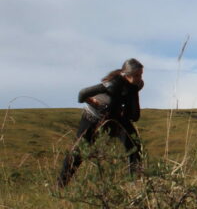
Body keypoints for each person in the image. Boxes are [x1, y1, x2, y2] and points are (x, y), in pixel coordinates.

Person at [58, 58, 145, 188]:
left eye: (140, 75)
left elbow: (133, 112)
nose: (139, 78)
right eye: (136, 75)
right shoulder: (111, 83)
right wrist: (93, 102)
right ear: (126, 75)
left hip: (115, 117)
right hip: (93, 116)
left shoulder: (137, 86)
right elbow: (82, 94)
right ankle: (61, 185)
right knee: (79, 151)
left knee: (134, 144)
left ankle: (133, 183)